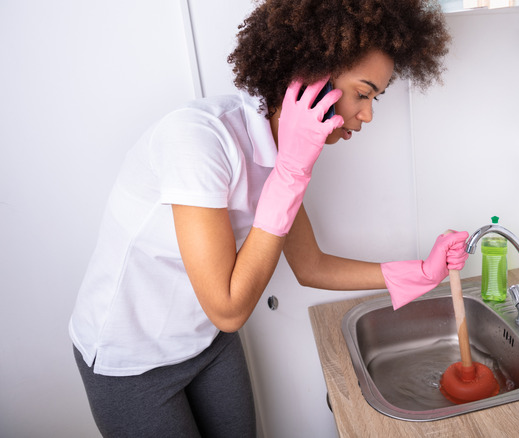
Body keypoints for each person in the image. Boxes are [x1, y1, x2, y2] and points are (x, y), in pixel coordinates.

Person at [69, 0, 463, 436]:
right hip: (132, 359)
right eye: (364, 93)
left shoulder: (283, 154)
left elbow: (311, 265)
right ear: (312, 78)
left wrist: (422, 273)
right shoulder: (199, 141)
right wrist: (291, 173)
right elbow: (228, 309)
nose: (368, 114)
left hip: (206, 343)